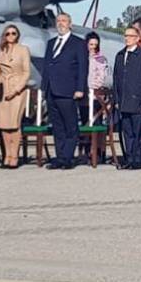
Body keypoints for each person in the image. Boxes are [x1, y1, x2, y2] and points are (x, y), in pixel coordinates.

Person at [40, 13, 88, 170]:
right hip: (51, 91)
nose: (60, 23)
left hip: (68, 91)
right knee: (58, 127)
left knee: (70, 126)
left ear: (70, 24)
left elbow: (82, 68)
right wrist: (43, 89)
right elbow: (47, 67)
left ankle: (68, 157)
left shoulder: (78, 43)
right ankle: (60, 157)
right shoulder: (51, 43)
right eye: (58, 21)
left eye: (64, 21)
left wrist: (80, 89)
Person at [0, 23, 31, 169]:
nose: (11, 36)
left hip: (17, 90)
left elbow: (27, 72)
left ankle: (15, 155)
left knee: (14, 124)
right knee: (3, 125)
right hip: (3, 89)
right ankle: (6, 155)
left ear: (17, 35)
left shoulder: (23, 50)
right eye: (8, 34)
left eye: (13, 33)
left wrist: (17, 89)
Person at [114, 25, 141, 169]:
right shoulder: (120, 55)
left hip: (137, 100)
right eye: (125, 36)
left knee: (137, 133)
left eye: (130, 36)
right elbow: (116, 79)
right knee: (127, 132)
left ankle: (137, 159)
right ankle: (129, 158)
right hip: (124, 102)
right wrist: (116, 100)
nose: (127, 38)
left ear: (137, 39)